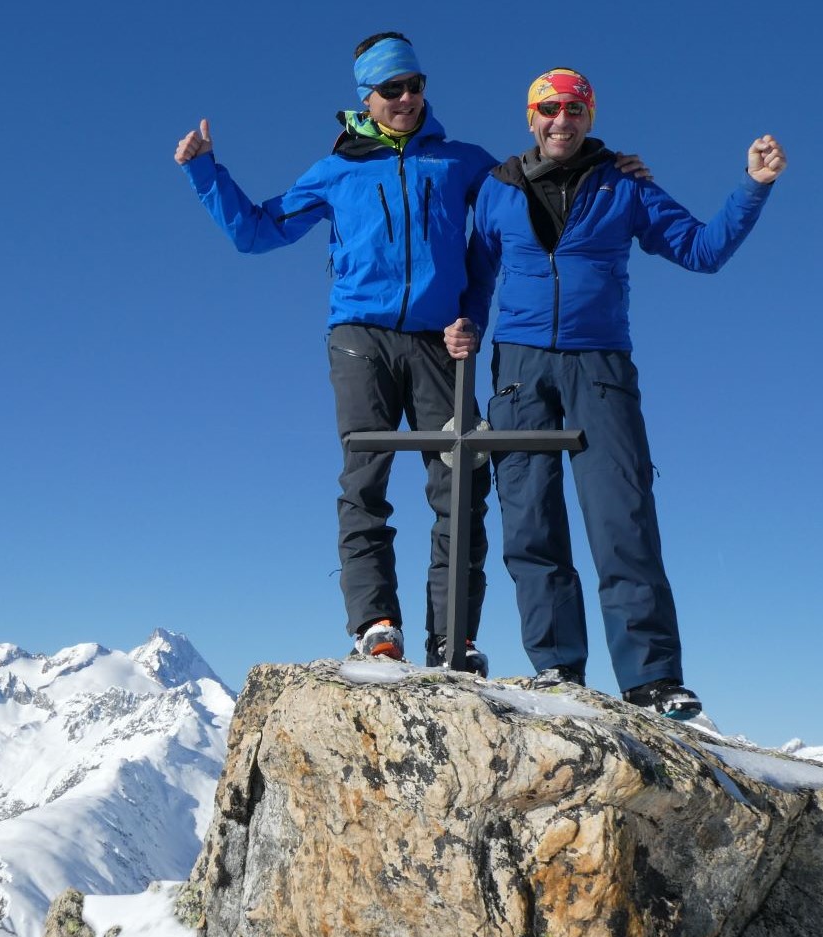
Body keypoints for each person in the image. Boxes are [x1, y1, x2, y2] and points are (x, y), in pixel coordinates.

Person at [175, 35, 650, 670]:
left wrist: (606, 167)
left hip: (439, 341)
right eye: (391, 90)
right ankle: (376, 625)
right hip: (359, 339)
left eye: (415, 85)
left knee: (462, 482)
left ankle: (454, 636)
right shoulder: (334, 172)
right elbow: (257, 232)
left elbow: (540, 179)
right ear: (365, 99)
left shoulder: (462, 163)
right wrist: (206, 170)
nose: (406, 98)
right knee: (364, 478)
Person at [446, 68, 787, 719]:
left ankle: (652, 680)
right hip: (517, 369)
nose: (561, 122)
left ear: (589, 118)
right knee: (529, 519)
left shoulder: (623, 184)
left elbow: (700, 249)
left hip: (599, 366)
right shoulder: (495, 190)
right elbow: (477, 275)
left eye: (574, 111)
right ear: (530, 117)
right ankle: (556, 669)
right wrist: (464, 324)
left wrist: (754, 187)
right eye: (549, 110)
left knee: (621, 517)